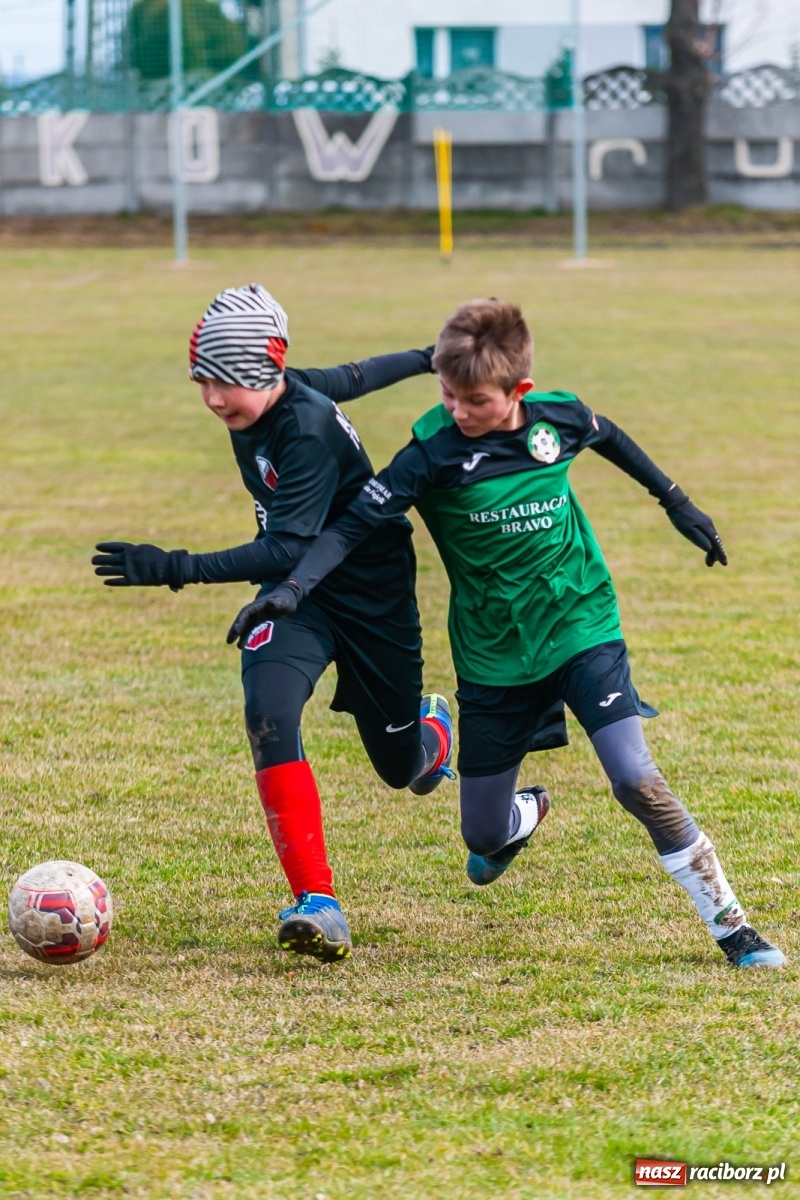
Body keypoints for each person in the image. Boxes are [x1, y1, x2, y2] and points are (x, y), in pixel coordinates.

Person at [230, 298, 787, 970]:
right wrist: (292, 589)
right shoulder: (431, 453)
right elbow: (351, 526)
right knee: (483, 836)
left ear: (518, 390)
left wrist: (675, 500)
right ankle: (523, 815)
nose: (460, 411)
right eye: (448, 394)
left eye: (476, 401)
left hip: (581, 623)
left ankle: (734, 929)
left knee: (635, 777)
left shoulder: (557, 418)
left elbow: (606, 434)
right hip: (494, 654)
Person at [92, 284, 454, 964]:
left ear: (266, 371)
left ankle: (433, 733)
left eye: (228, 383)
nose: (214, 399)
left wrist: (174, 566)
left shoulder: (305, 428)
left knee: (400, 768)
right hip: (293, 600)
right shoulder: (279, 394)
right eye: (205, 381)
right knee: (268, 714)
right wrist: (423, 357)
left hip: (372, 599)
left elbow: (288, 544)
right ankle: (318, 902)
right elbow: (351, 377)